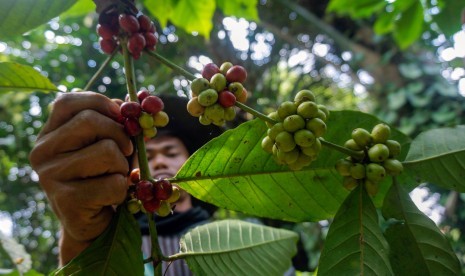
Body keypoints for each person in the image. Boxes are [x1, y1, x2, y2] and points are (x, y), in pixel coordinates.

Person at [28, 92, 222, 275]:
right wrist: (80, 239)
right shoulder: (116, 245)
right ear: (132, 172)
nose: (160, 162)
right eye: (147, 156)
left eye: (171, 153)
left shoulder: (232, 236)